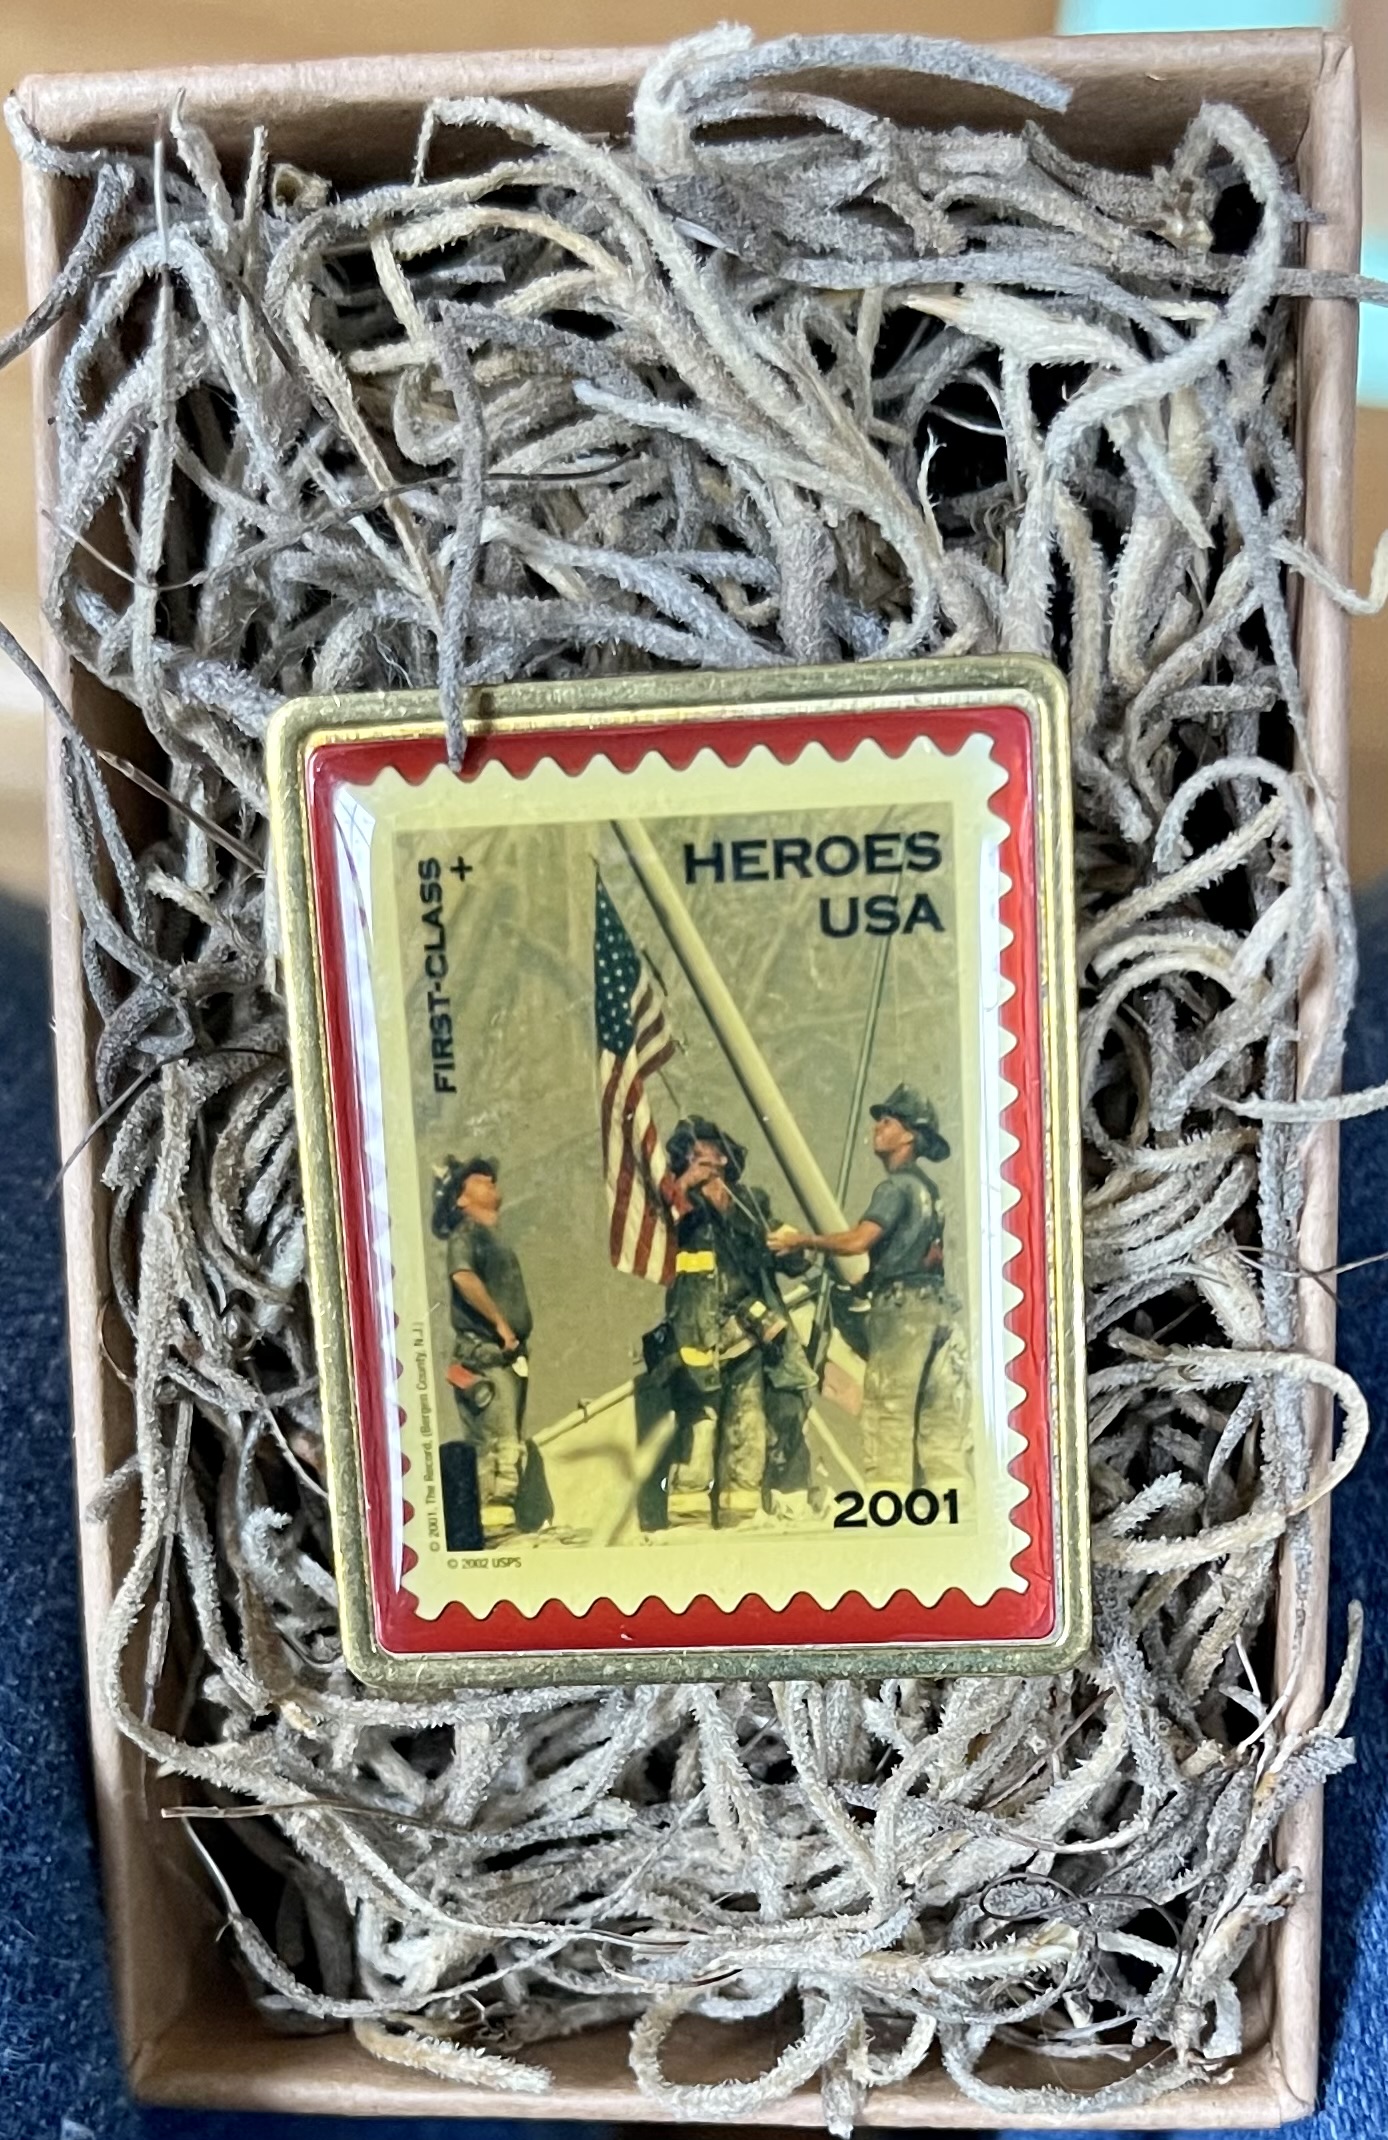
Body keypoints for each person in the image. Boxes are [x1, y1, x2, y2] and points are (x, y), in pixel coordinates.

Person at [770, 1083, 971, 1499]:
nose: (877, 1127)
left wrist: (802, 1240)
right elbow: (917, 1254)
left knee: (887, 1412)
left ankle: (889, 1508)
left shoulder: (895, 1188)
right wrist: (868, 1281)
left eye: (888, 1121)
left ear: (909, 1135)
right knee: (937, 1417)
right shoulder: (929, 1191)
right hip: (937, 1310)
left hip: (901, 1313)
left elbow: (858, 1241)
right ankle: (952, 1505)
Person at [654, 1117, 817, 1528]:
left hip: (747, 1332)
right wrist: (684, 1184)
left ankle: (739, 1515)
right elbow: (656, 1231)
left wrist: (796, 1248)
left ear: (723, 1157)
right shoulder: (680, 1203)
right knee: (699, 1421)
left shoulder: (749, 1204)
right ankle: (687, 1519)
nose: (694, 1152)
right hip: (695, 1331)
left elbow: (788, 1255)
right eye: (688, 1149)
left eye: (703, 1146)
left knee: (748, 1423)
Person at [431, 1154, 549, 1545]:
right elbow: (463, 1277)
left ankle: (505, 1526)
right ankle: (498, 1533)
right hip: (483, 1356)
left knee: (508, 1441)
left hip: (505, 1358)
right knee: (499, 1446)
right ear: (460, 1199)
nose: (489, 1181)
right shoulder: (466, 1234)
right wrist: (500, 1324)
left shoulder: (490, 1236)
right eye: (478, 1180)